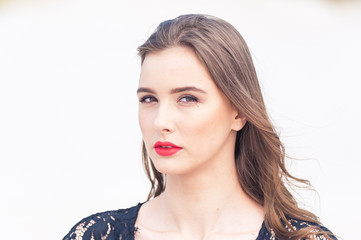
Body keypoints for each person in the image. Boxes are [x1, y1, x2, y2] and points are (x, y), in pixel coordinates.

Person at [63, 14, 336, 240]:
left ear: (238, 112)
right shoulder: (94, 234)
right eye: (149, 99)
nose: (161, 122)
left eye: (187, 98)